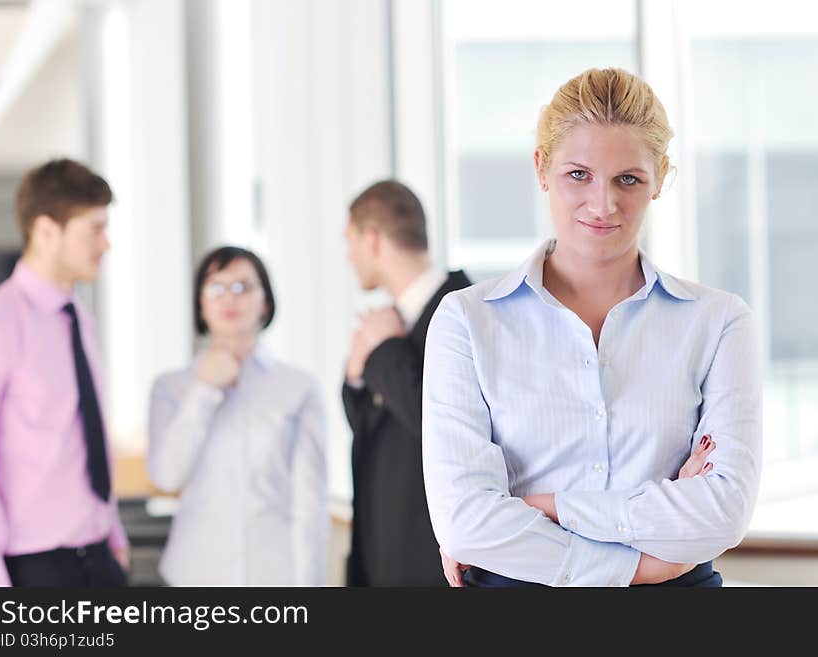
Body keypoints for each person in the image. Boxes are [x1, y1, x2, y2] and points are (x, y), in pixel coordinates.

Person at [423, 68, 763, 587]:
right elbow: (466, 521)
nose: (603, 204)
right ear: (541, 168)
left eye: (628, 179)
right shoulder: (467, 321)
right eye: (578, 174)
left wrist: (546, 507)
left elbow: (724, 510)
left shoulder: (718, 323)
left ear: (661, 178)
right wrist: (640, 566)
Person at [148, 246, 327, 586]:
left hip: (276, 575)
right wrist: (203, 392)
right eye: (216, 288)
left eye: (243, 287)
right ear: (201, 304)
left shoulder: (298, 387)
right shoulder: (171, 387)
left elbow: (310, 506)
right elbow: (167, 476)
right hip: (195, 574)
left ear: (266, 302)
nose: (230, 299)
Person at [0, 158, 129, 587]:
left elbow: (85, 436)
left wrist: (115, 535)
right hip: (34, 566)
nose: (105, 244)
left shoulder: (79, 319)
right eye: (94, 230)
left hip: (98, 555)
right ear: (47, 231)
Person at [342, 180, 471, 586]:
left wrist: (386, 352)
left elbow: (442, 428)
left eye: (351, 241)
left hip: (433, 568)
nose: (347, 256)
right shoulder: (389, 319)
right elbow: (373, 432)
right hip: (383, 558)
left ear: (374, 240)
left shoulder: (466, 311)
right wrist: (356, 376)